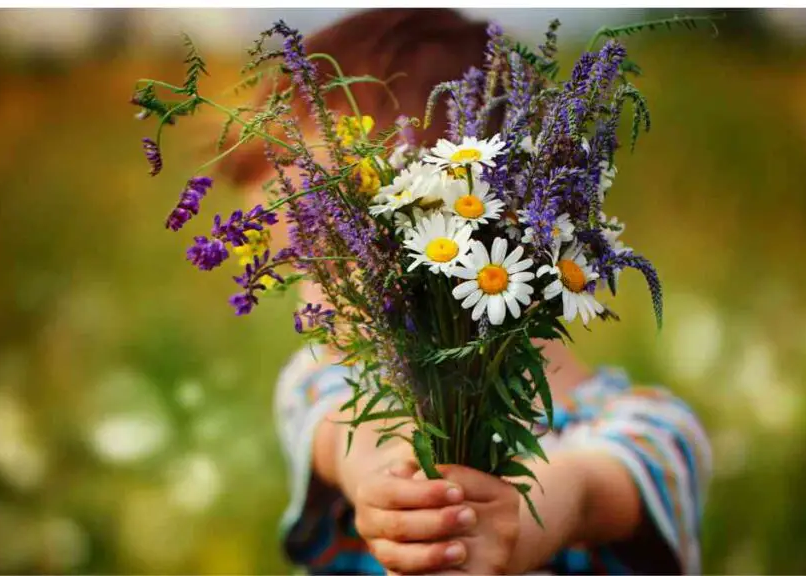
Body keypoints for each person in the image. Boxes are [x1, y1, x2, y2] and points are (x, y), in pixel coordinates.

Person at [223, 8, 712, 575]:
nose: (314, 303)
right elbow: (341, 431)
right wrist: (385, 478)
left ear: (454, 227)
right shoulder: (328, 385)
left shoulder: (648, 429)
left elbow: (607, 480)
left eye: (330, 264)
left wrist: (541, 511)